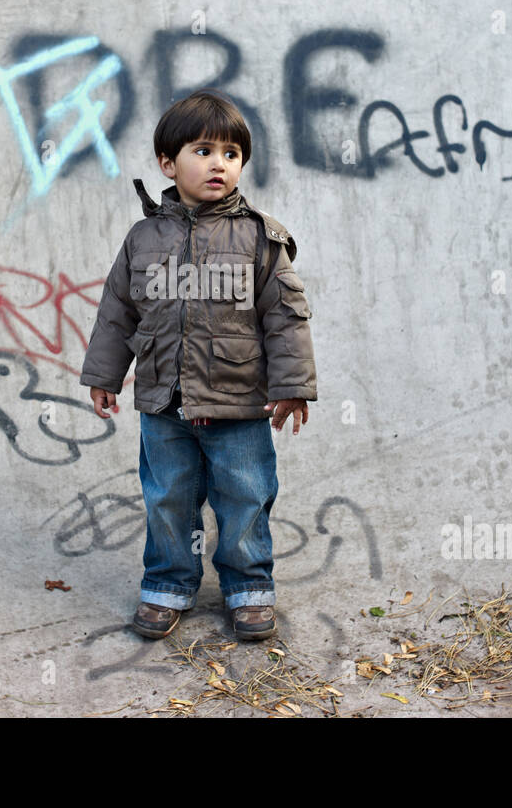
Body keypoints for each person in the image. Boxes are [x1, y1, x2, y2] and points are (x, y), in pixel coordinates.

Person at [79, 88, 316, 642]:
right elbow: (118, 312)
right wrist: (103, 376)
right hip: (164, 401)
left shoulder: (260, 237)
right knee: (167, 497)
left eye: (231, 154)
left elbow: (287, 317)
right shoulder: (143, 238)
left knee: (245, 496)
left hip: (238, 401)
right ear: (168, 163)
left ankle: (249, 588)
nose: (219, 164)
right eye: (204, 151)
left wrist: (293, 387)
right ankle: (167, 583)